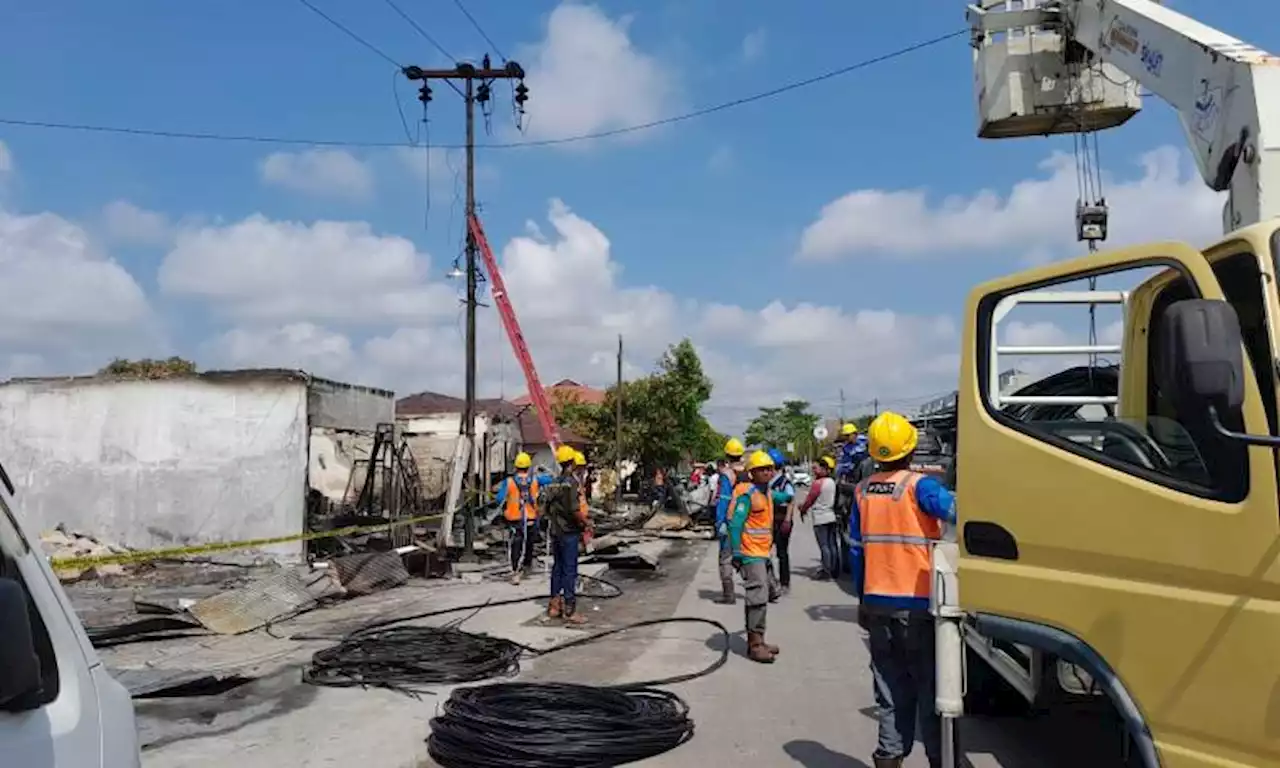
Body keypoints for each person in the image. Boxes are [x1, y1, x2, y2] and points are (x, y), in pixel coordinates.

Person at [851, 412, 956, 768]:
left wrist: (863, 600)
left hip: (877, 602)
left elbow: (856, 549)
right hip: (918, 604)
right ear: (912, 451)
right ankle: (940, 758)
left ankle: (889, 757)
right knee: (930, 686)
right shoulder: (919, 486)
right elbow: (957, 512)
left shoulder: (863, 491)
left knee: (889, 685)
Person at [728, 449, 780, 663]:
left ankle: (760, 638)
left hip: (763, 553)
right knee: (757, 598)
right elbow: (735, 524)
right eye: (762, 470)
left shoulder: (766, 492)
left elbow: (779, 497)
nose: (767, 473)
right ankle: (755, 645)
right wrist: (737, 552)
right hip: (750, 554)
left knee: (765, 594)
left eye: (770, 469)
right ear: (752, 473)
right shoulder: (747, 497)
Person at [544, 444, 592, 625]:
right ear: (572, 463)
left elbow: (546, 507)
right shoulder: (571, 483)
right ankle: (570, 610)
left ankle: (554, 605)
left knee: (557, 568)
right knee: (570, 570)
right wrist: (586, 523)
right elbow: (574, 510)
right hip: (569, 532)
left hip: (555, 532)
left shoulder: (554, 482)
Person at [494, 451, 541, 585]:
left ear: (516, 466)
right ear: (528, 466)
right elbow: (550, 480)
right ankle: (527, 566)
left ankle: (515, 571)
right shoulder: (536, 480)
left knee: (516, 546)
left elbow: (499, 499)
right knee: (529, 544)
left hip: (515, 519)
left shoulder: (508, 482)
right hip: (531, 519)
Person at [713, 438, 746, 604]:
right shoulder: (749, 472)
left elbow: (723, 500)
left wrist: (720, 523)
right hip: (748, 521)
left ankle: (728, 595)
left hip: (731, 520)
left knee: (725, 559)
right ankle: (769, 587)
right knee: (750, 556)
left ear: (727, 454)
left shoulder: (727, 475)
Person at [798, 456, 840, 579]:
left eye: (816, 468)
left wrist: (802, 509)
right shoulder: (832, 482)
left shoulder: (818, 483)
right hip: (831, 516)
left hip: (820, 517)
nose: (814, 471)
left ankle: (826, 570)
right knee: (832, 544)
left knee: (824, 546)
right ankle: (835, 569)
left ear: (824, 469)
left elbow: (809, 500)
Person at [765, 447, 796, 597]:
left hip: (781, 519)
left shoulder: (784, 482)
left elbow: (791, 500)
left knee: (782, 553)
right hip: (769, 521)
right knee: (765, 552)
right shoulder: (768, 482)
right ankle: (770, 581)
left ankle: (784, 583)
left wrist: (787, 520)